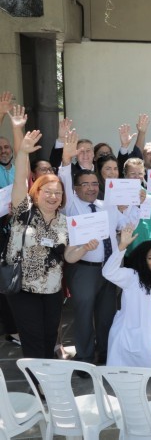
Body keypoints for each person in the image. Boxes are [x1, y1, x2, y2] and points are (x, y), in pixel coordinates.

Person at [59, 131, 141, 366]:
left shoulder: (107, 205)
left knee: (106, 316)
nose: (92, 188)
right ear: (75, 189)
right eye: (85, 184)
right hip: (84, 270)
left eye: (95, 184)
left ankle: (106, 356)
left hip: (108, 268)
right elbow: (65, 178)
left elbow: (128, 225)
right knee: (83, 316)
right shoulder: (71, 206)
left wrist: (136, 202)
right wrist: (66, 159)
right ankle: (84, 359)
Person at [6, 130, 85, 359]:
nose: (53, 197)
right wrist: (22, 153)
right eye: (48, 192)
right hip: (23, 288)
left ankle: (47, 379)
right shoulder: (24, 212)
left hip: (52, 290)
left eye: (58, 193)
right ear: (37, 192)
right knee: (33, 337)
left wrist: (84, 248)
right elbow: (20, 180)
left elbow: (68, 256)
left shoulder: (65, 222)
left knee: (50, 336)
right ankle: (38, 383)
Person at [102, 227, 151, 367]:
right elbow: (108, 272)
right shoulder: (132, 276)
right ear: (142, 259)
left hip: (150, 330)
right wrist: (122, 246)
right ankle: (141, 363)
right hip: (133, 335)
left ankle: (148, 360)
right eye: (150, 258)